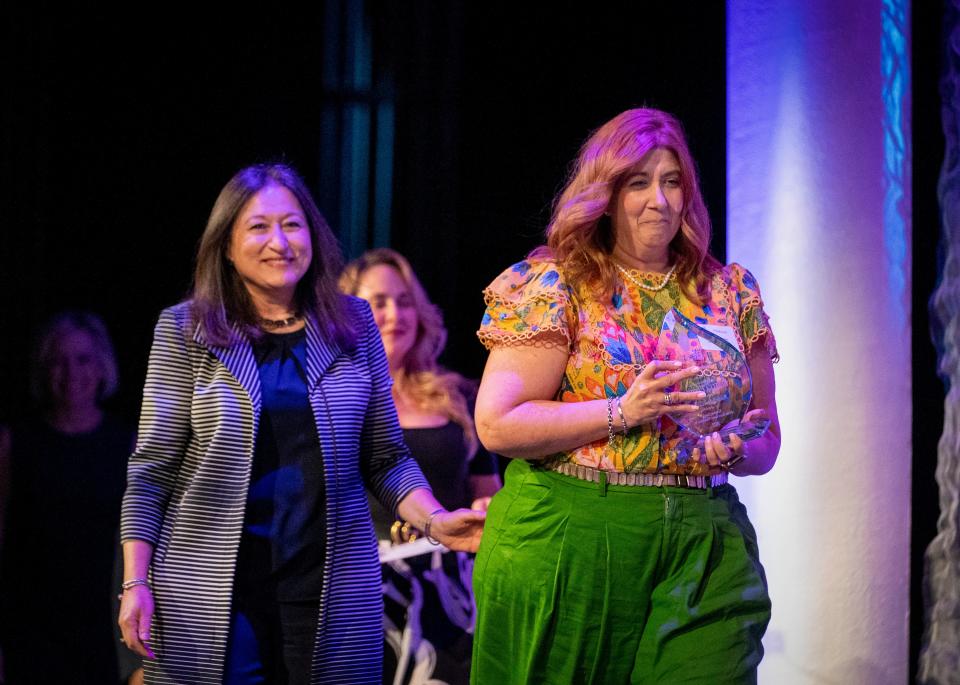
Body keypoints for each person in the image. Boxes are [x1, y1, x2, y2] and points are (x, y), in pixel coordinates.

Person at [117, 163, 485, 685]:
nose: (280, 242)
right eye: (259, 227)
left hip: (332, 591)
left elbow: (387, 457)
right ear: (225, 244)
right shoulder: (186, 329)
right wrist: (135, 583)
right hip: (215, 592)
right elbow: (151, 472)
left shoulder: (354, 323)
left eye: (292, 225)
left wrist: (435, 520)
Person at [471, 108, 780, 684]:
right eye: (637, 182)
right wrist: (621, 412)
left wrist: (737, 449)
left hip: (704, 538)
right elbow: (498, 424)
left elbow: (769, 443)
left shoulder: (731, 291)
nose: (657, 199)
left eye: (671, 181)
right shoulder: (557, 283)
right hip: (576, 532)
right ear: (606, 195)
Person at [341, 248, 501, 684]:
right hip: (368, 588)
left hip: (452, 588)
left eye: (404, 300)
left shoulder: (457, 397)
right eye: (379, 302)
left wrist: (489, 506)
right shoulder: (335, 401)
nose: (395, 314)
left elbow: (489, 491)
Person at [0, 311, 142, 684]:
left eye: (82, 359)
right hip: (33, 623)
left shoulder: (128, 444)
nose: (70, 372)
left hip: (106, 622)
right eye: (58, 361)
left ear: (101, 367)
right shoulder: (15, 442)